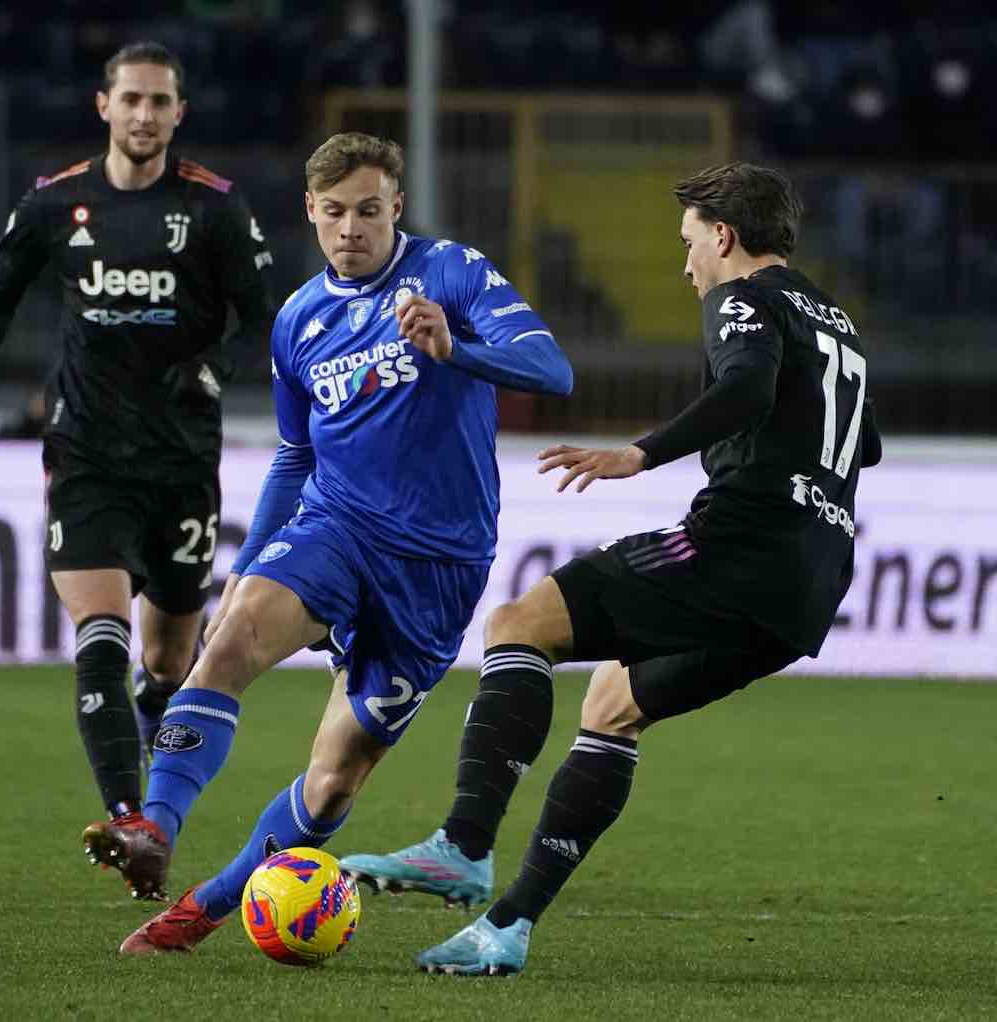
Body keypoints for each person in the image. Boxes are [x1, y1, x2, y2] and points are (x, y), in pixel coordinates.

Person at [340, 161, 883, 976]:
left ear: (724, 236)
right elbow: (864, 445)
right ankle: (506, 928)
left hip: (739, 548)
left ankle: (463, 844)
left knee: (519, 624)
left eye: (689, 242)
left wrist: (640, 453)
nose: (686, 264)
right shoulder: (834, 322)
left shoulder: (743, 299)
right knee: (613, 704)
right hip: (811, 586)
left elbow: (747, 388)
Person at [96, 131, 574, 954]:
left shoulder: (450, 273)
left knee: (331, 784)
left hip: (437, 567)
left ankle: (205, 908)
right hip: (337, 527)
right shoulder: (298, 320)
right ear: (311, 212)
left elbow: (553, 369)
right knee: (227, 644)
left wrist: (455, 348)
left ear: (397, 208)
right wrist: (250, 563)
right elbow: (295, 454)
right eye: (335, 212)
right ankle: (154, 827)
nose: (351, 227)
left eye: (368, 211)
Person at [0, 41, 275, 899]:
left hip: (182, 460)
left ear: (179, 113)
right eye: (132, 99)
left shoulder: (214, 208)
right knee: (100, 637)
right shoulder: (54, 203)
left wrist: (214, 367)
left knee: (169, 659)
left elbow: (268, 319)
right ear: (103, 106)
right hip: (85, 454)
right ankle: (132, 821)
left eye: (160, 102)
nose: (145, 114)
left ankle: (151, 741)